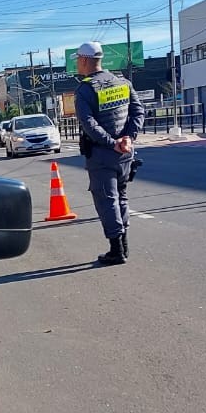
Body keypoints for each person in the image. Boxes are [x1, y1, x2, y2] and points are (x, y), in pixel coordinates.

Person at [74, 41, 145, 265]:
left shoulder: (85, 90)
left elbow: (88, 123)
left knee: (107, 200)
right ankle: (124, 246)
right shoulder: (122, 82)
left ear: (84, 60)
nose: (77, 63)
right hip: (125, 153)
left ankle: (117, 250)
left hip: (102, 154)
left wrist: (111, 142)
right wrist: (129, 137)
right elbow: (138, 111)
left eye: (77, 59)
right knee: (121, 197)